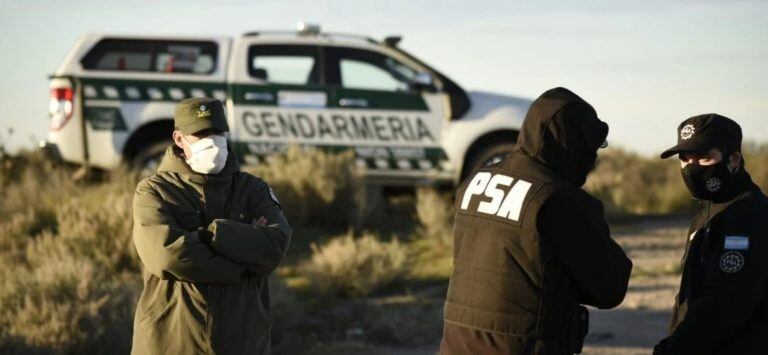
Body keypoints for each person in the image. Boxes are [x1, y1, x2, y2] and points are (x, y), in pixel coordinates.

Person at [440, 87, 632, 354]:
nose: (594, 157)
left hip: (456, 344)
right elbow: (610, 287)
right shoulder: (560, 201)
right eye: (591, 147)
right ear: (574, 143)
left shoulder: (475, 182)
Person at [131, 97, 292, 355]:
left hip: (242, 340)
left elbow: (274, 246)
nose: (212, 141)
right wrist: (241, 263)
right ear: (179, 138)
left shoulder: (253, 189)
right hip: (171, 341)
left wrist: (214, 234)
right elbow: (166, 256)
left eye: (217, 132)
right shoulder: (153, 191)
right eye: (200, 133)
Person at [654, 114, 768, 354]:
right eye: (685, 158)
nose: (691, 167)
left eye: (704, 157)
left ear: (733, 159)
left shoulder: (748, 215)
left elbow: (726, 303)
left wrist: (673, 349)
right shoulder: (708, 207)